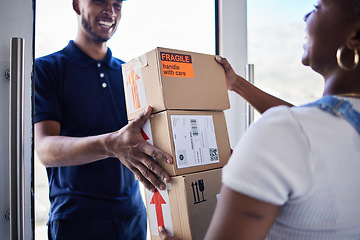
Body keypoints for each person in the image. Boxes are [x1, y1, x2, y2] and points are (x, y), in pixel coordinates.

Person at [160, 0, 360, 239]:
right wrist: (237, 84)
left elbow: (297, 129)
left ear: (354, 37)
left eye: (317, 7)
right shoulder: (323, 131)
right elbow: (311, 125)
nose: (306, 16)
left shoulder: (285, 133)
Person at [34, 0, 173, 239]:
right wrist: (111, 144)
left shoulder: (131, 74)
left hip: (134, 220)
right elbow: (45, 149)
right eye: (100, 1)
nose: (110, 11)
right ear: (77, 5)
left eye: (117, 4)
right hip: (76, 222)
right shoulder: (47, 69)